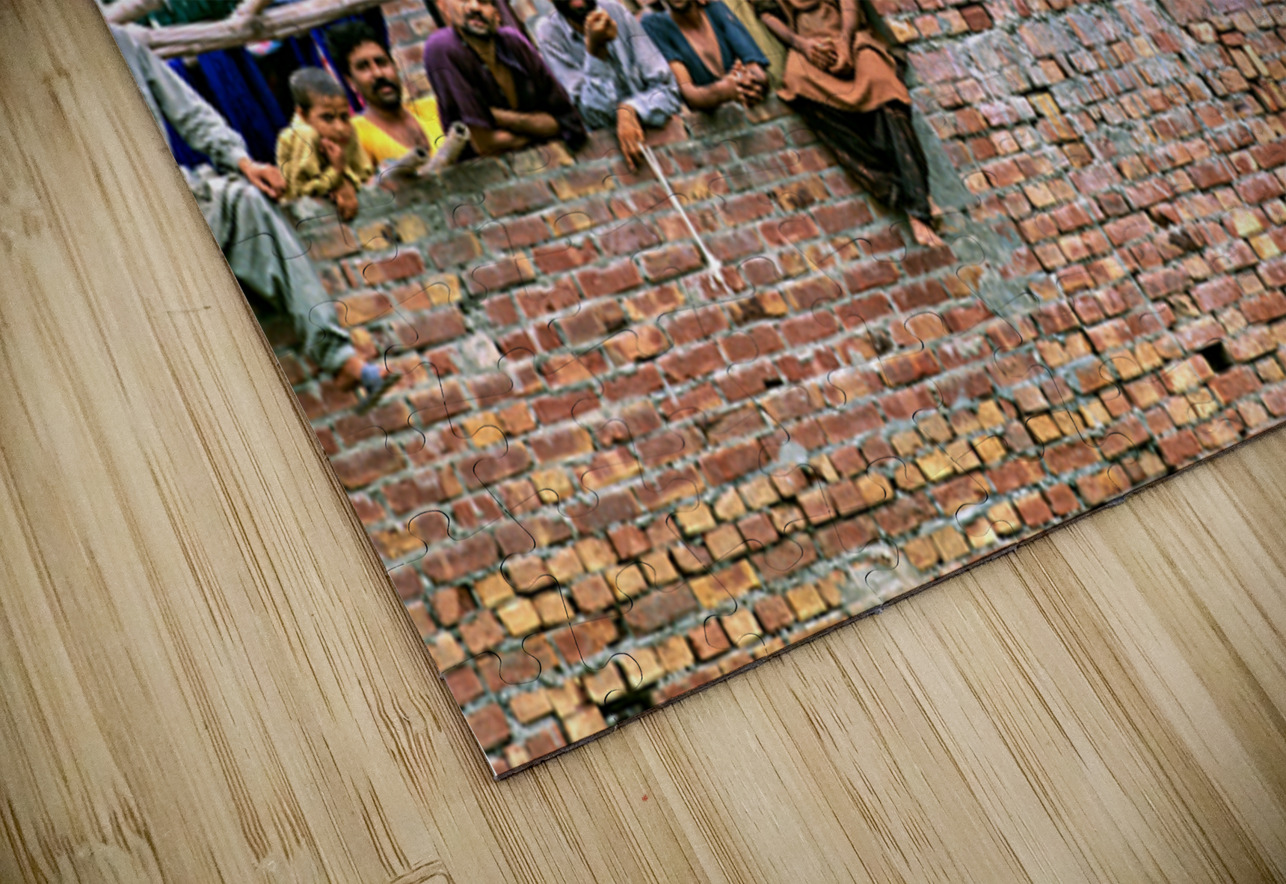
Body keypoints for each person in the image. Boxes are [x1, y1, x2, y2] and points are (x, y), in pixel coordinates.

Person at [109, 24, 399, 410]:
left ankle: (338, 357)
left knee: (246, 200)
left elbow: (192, 114)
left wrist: (243, 162)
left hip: (170, 192)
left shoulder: (118, 40)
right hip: (98, 226)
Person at [755, 0, 943, 246]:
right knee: (798, 83)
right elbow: (768, 14)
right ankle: (899, 194)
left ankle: (918, 203)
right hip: (810, 48)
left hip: (852, 36)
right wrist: (802, 45)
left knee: (881, 84)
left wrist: (845, 40)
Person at [423, 0, 587, 158]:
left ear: (497, 13)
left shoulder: (513, 42)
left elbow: (568, 121)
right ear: (443, 6)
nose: (474, 7)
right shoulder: (442, 48)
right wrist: (539, 131)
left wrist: (498, 117)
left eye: (484, 1)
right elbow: (485, 144)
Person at [534, 0, 682, 170]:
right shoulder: (549, 34)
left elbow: (669, 90)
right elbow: (594, 117)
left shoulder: (616, 11)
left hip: (669, 144)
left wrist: (630, 109)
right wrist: (595, 53)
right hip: (612, 161)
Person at [324, 21, 446, 167]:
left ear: (395, 66)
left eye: (381, 62)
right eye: (363, 67)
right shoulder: (356, 135)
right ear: (351, 82)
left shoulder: (433, 107)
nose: (378, 73)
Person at [276, 67, 375, 220]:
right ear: (303, 115)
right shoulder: (302, 135)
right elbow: (300, 191)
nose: (340, 127)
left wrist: (347, 182)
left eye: (344, 116)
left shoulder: (348, 130)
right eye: (327, 118)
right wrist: (335, 173)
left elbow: (365, 173)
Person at [642, 0, 771, 111]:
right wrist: (725, 89)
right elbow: (690, 95)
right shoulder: (656, 26)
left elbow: (758, 72)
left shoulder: (715, 9)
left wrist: (745, 82)